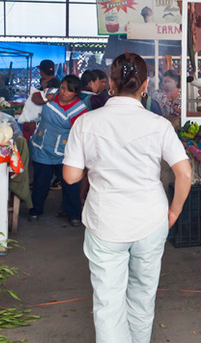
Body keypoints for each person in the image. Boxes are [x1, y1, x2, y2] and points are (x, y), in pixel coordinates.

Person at [62, 53, 192, 343]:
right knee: (143, 297)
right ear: (145, 85)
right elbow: (184, 175)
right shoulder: (158, 125)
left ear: (110, 82)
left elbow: (70, 177)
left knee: (108, 303)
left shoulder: (86, 123)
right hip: (151, 219)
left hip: (105, 221)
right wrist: (173, 213)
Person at [29, 75, 88, 225]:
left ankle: (73, 213)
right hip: (42, 146)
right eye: (62, 88)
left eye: (69, 90)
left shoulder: (79, 108)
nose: (63, 92)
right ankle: (36, 210)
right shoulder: (53, 93)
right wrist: (44, 100)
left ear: (75, 93)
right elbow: (35, 97)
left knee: (69, 183)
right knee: (40, 182)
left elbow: (79, 131)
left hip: (63, 150)